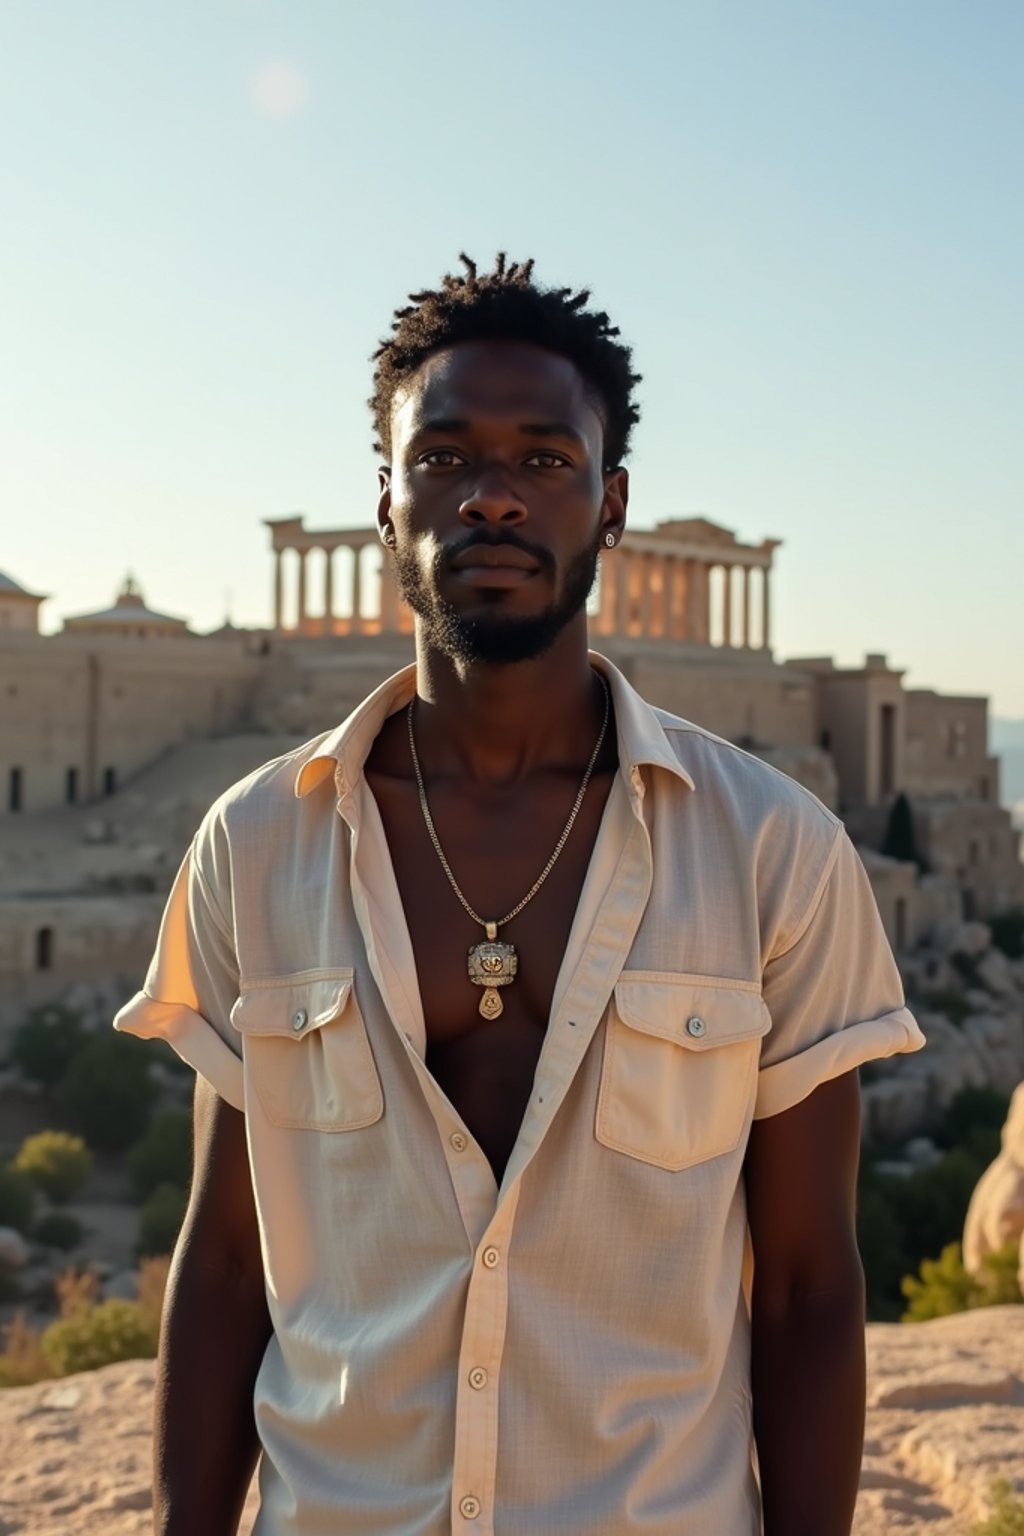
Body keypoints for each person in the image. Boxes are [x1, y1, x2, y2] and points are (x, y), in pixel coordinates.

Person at [115, 253, 924, 1536]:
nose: (491, 497)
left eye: (545, 461)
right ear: (385, 502)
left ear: (610, 506)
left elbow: (813, 1287)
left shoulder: (775, 851)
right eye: (445, 458)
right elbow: (225, 1263)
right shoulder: (259, 842)